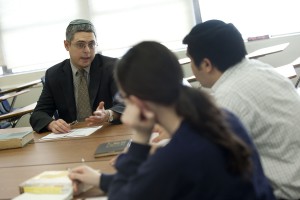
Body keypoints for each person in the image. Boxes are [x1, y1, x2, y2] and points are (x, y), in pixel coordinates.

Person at [68, 41, 275, 200]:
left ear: (138, 102)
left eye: (123, 97)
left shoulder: (178, 155)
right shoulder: (219, 118)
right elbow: (150, 182)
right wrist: (99, 179)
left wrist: (140, 136)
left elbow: (126, 196)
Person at [183, 19, 300, 200]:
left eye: (190, 60)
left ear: (206, 64)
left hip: (285, 193)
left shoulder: (230, 97)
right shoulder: (261, 69)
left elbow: (204, 158)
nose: (191, 66)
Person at [30, 19, 124, 133]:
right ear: (67, 45)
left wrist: (108, 114)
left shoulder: (112, 67)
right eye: (80, 45)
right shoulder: (54, 74)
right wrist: (51, 123)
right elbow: (38, 114)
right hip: (72, 136)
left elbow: (127, 104)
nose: (87, 51)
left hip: (106, 132)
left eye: (91, 44)